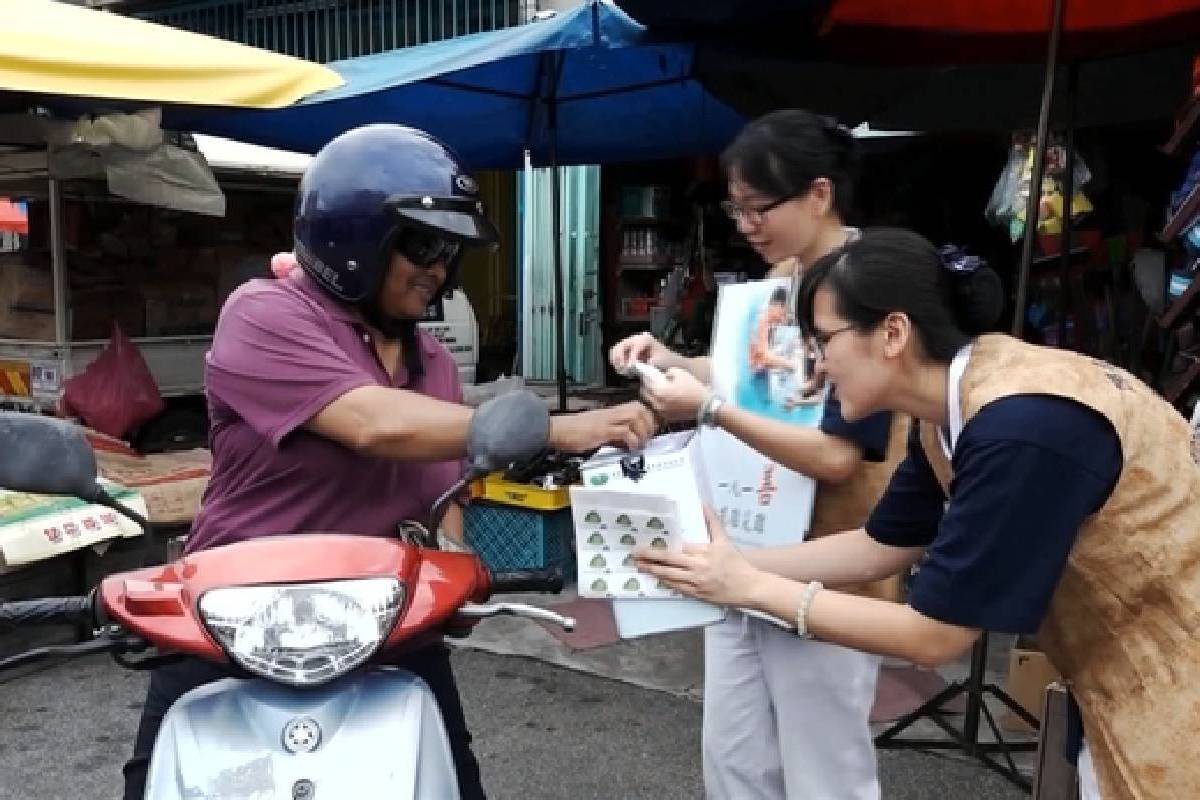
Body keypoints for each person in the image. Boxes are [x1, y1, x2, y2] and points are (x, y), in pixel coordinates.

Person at [122, 124, 655, 800]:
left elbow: (442, 483)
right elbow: (372, 424)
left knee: (450, 783)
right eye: (424, 244)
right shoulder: (263, 315)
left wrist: (455, 568)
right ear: (351, 238)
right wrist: (558, 428)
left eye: (450, 251)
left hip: (380, 622)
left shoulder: (431, 359)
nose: (439, 268)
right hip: (236, 620)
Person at [638, 226, 1200, 800]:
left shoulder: (1018, 428)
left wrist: (749, 585)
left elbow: (934, 638)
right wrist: (724, 566)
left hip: (1175, 682)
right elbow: (880, 545)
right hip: (1125, 672)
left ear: (893, 333)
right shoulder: (951, 408)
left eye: (824, 341)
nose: (815, 368)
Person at [611, 110, 908, 800]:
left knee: (823, 770)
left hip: (828, 568)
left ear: (820, 194)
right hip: (741, 545)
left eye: (758, 207)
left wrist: (710, 410)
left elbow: (840, 457)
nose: (745, 223)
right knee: (734, 759)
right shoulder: (777, 281)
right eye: (735, 207)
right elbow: (754, 386)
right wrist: (672, 361)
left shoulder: (872, 287)